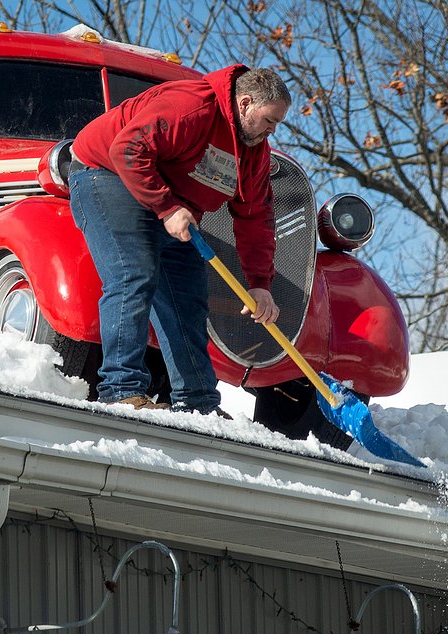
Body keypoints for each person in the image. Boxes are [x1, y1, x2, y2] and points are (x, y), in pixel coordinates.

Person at [68, 65, 290, 414]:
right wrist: (167, 207)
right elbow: (127, 149)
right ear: (245, 104)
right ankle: (121, 389)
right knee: (133, 275)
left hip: (173, 205)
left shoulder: (254, 153)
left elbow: (256, 216)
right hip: (108, 177)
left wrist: (260, 283)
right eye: (269, 120)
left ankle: (197, 401)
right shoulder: (192, 107)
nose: (272, 131)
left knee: (187, 298)